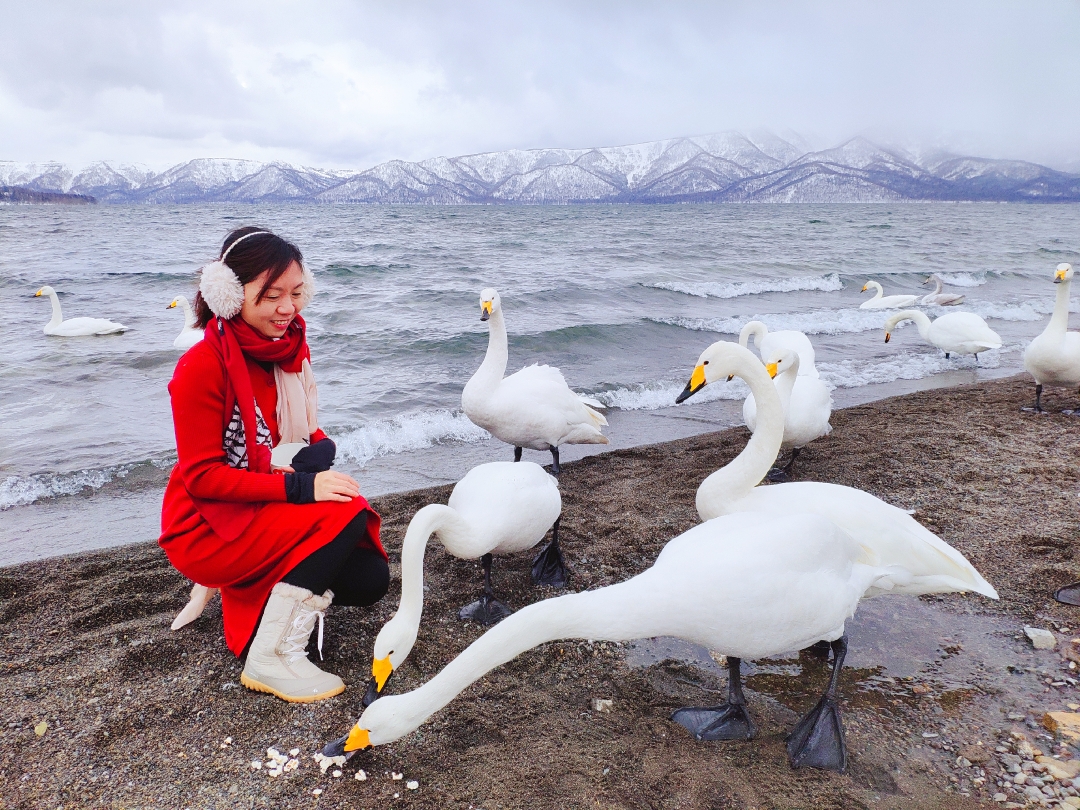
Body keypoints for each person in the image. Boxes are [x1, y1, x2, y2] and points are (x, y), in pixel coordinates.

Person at [159, 226, 388, 703]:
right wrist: (303, 488)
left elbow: (298, 432)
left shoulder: (287, 351)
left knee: (369, 579)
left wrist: (319, 450)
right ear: (228, 294)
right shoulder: (201, 367)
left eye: (296, 293)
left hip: (262, 499)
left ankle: (259, 593)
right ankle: (269, 656)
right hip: (206, 525)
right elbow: (202, 477)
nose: (288, 308)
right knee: (343, 511)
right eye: (272, 295)